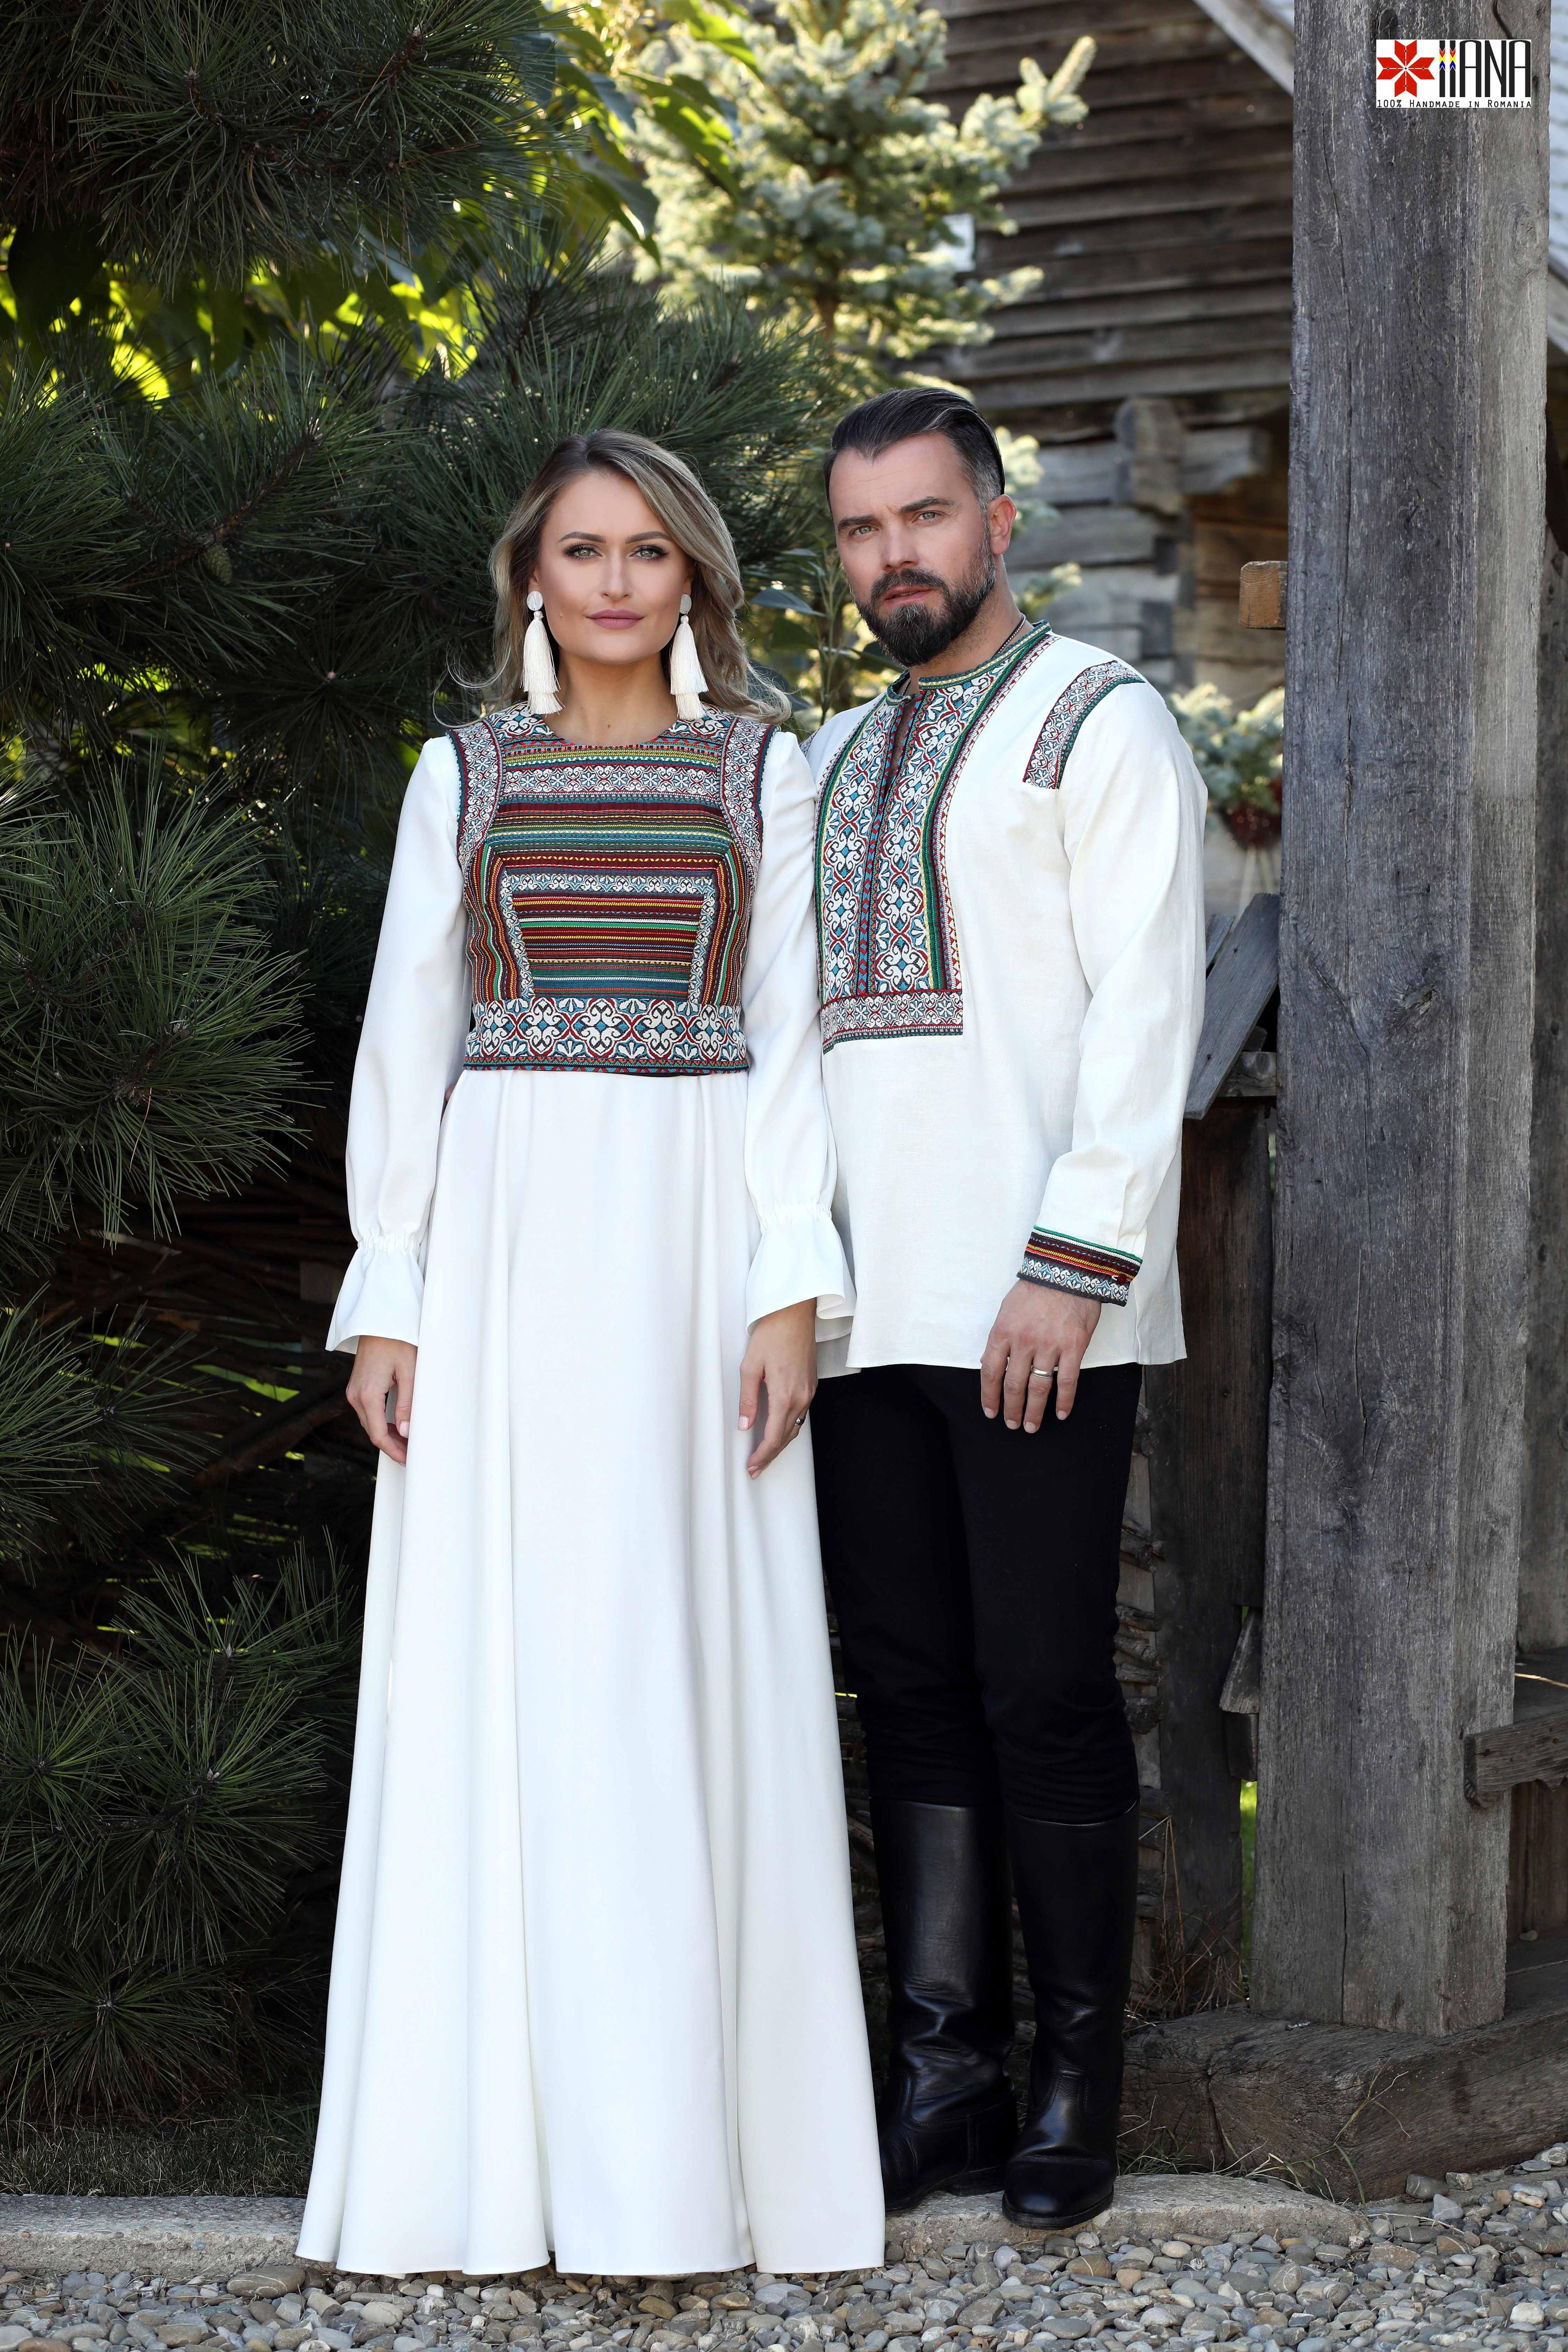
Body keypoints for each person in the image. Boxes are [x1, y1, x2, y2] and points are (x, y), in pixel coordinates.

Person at [299, 429, 882, 2279]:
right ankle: (471, 2174)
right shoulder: (459, 774)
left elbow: (791, 1035)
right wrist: (392, 1293)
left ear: (690, 575)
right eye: (581, 550)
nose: (614, 581)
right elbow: (409, 1036)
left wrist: (785, 1282)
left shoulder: (765, 769)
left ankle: (690, 2179)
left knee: (674, 1660)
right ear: (530, 579)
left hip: (698, 1240)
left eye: (646, 550)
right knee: (511, 1657)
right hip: (502, 1251)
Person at [804, 386, 1207, 2232]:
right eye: (860, 528)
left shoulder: (1095, 721)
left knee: (1043, 1687)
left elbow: (1146, 1010)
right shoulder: (825, 758)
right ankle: (943, 2078)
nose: (894, 554)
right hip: (861, 1309)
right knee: (905, 1692)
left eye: (923, 515)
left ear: (995, 521)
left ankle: (1071, 2085)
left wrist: (1070, 1263)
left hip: (1034, 1301)